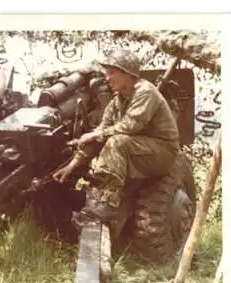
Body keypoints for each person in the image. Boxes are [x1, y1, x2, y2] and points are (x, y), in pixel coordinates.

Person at [53, 49, 180, 223]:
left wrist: (96, 134)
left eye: (112, 73)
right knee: (111, 140)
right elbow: (99, 134)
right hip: (141, 150)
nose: (107, 78)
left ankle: (106, 204)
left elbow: (130, 126)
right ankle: (98, 200)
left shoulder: (145, 92)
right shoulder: (117, 101)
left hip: (163, 153)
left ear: (127, 73)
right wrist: (71, 166)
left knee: (116, 142)